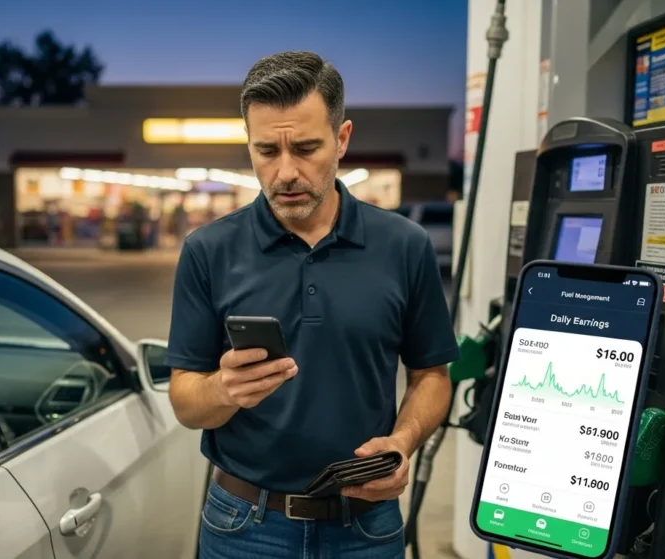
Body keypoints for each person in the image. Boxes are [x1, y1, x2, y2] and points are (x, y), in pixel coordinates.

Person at [165, 51, 460, 558]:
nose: (285, 172)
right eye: (266, 151)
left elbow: (431, 377)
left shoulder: (404, 246)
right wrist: (223, 388)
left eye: (305, 148)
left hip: (366, 528)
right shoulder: (208, 250)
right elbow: (186, 401)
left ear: (342, 139)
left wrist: (403, 441)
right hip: (244, 527)